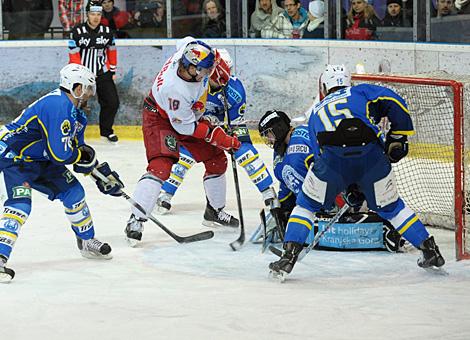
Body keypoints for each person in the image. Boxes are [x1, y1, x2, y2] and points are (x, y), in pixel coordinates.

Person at [268, 64, 445, 279]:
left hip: (333, 161)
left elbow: (318, 154)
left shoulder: (317, 111)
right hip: (372, 157)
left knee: (306, 205)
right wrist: (398, 136)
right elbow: (395, 101)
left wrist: (346, 184)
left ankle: (288, 257)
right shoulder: (361, 91)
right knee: (392, 207)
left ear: (324, 86)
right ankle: (430, 250)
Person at [0, 63, 124, 283]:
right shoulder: (57, 104)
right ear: (74, 87)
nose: (88, 94)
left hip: (40, 159)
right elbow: (61, 154)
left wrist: (100, 175)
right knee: (20, 204)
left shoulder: (76, 114)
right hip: (15, 157)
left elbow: (78, 153)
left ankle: (86, 241)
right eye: (86, 89)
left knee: (74, 193)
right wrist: (82, 158)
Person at [124, 39, 241, 247]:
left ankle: (214, 211)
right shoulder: (175, 89)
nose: (208, 74)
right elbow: (185, 128)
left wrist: (216, 66)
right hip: (160, 119)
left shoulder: (188, 54)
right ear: (191, 68)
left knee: (216, 159)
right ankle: (136, 219)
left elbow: (187, 41)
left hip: (185, 116)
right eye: (205, 71)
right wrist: (217, 136)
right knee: (161, 167)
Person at [257, 109, 405, 252]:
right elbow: (287, 183)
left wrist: (290, 213)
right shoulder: (293, 140)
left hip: (348, 195)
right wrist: (283, 206)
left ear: (279, 129)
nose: (268, 139)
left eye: (269, 134)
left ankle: (382, 232)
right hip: (355, 183)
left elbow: (308, 197)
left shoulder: (293, 156)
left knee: (310, 227)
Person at [156, 49, 278, 222]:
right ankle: (165, 194)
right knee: (183, 158)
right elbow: (183, 118)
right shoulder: (194, 84)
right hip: (195, 128)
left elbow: (235, 123)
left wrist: (230, 138)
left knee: (246, 153)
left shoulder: (235, 90)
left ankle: (268, 192)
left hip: (219, 129)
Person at [69, 0, 120, 144]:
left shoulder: (107, 32)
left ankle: (106, 132)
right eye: (92, 14)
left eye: (98, 14)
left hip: (102, 73)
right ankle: (72, 133)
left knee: (112, 102)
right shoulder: (77, 32)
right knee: (76, 105)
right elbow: (74, 55)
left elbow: (112, 51)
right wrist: (79, 74)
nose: (96, 17)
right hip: (82, 75)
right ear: (87, 15)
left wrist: (112, 70)